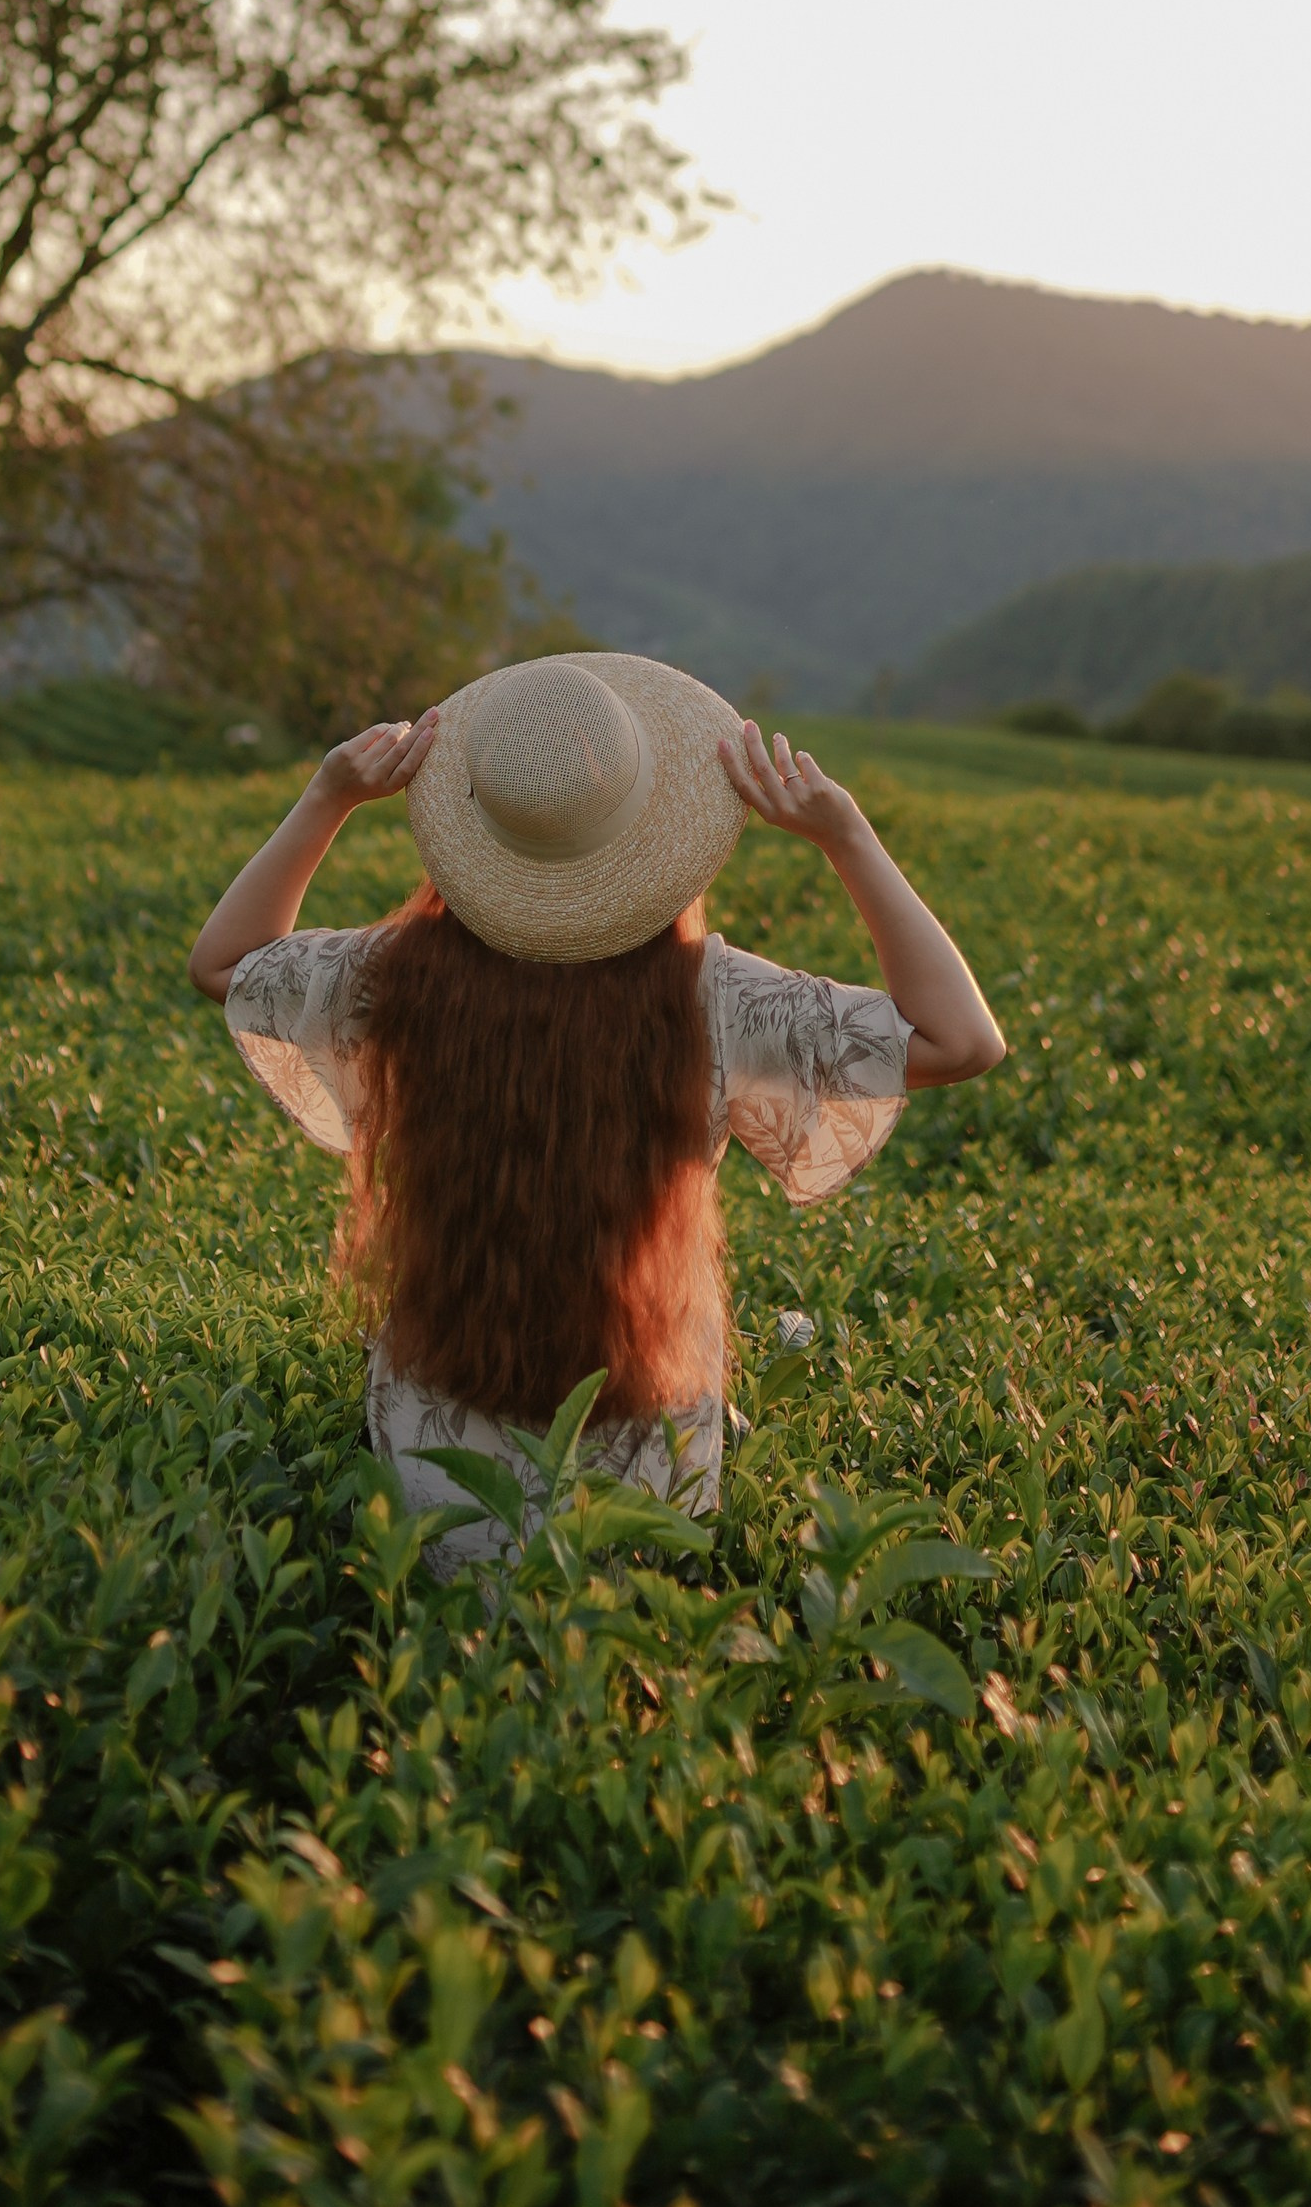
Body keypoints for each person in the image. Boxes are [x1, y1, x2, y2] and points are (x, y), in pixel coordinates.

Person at [188, 652, 1004, 1568]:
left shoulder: (396, 979)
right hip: (642, 1483)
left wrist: (326, 797)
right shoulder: (714, 1000)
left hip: (435, 1483)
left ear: (476, 824)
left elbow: (226, 965)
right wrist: (847, 835)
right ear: (657, 835)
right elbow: (961, 1041)